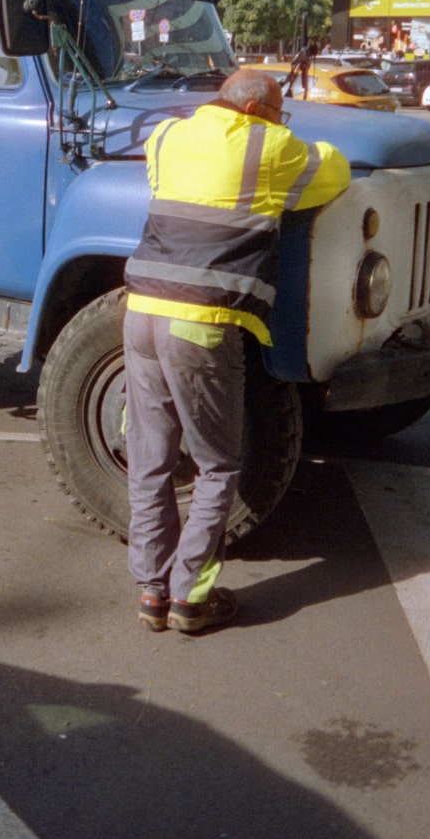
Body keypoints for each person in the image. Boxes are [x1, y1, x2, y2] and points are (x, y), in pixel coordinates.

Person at [122, 67, 349, 635]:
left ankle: (151, 591)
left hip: (141, 312)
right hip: (201, 323)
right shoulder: (270, 146)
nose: (281, 122)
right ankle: (190, 599)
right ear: (256, 111)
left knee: (151, 457)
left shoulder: (167, 136)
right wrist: (289, 138)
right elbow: (334, 171)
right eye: (279, 112)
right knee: (218, 463)